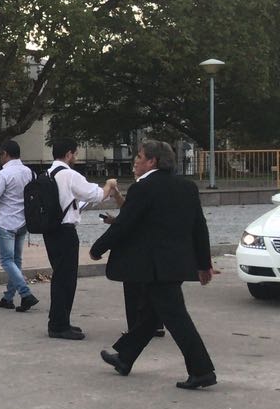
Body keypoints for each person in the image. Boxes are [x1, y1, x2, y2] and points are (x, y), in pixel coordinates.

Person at [91, 140, 217, 389]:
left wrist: (98, 248)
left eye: (139, 156)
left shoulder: (144, 188)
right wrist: (204, 264)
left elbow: (125, 224)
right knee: (150, 315)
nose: (135, 161)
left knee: (177, 318)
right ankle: (125, 358)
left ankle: (202, 370)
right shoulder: (187, 187)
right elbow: (199, 228)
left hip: (155, 267)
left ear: (153, 161)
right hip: (175, 264)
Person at [45, 139, 120, 339]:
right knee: (66, 279)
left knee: (59, 276)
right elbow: (95, 195)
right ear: (68, 154)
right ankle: (59, 325)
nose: (76, 158)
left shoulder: (47, 174)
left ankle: (59, 320)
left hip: (50, 230)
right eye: (75, 154)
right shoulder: (69, 175)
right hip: (65, 232)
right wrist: (109, 185)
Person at [0, 140, 38, 312]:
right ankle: (8, 297)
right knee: (16, 261)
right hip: (23, 221)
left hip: (6, 222)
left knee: (6, 261)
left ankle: (26, 294)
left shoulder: (2, 175)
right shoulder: (30, 173)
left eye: (0, 155)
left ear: (5, 154)